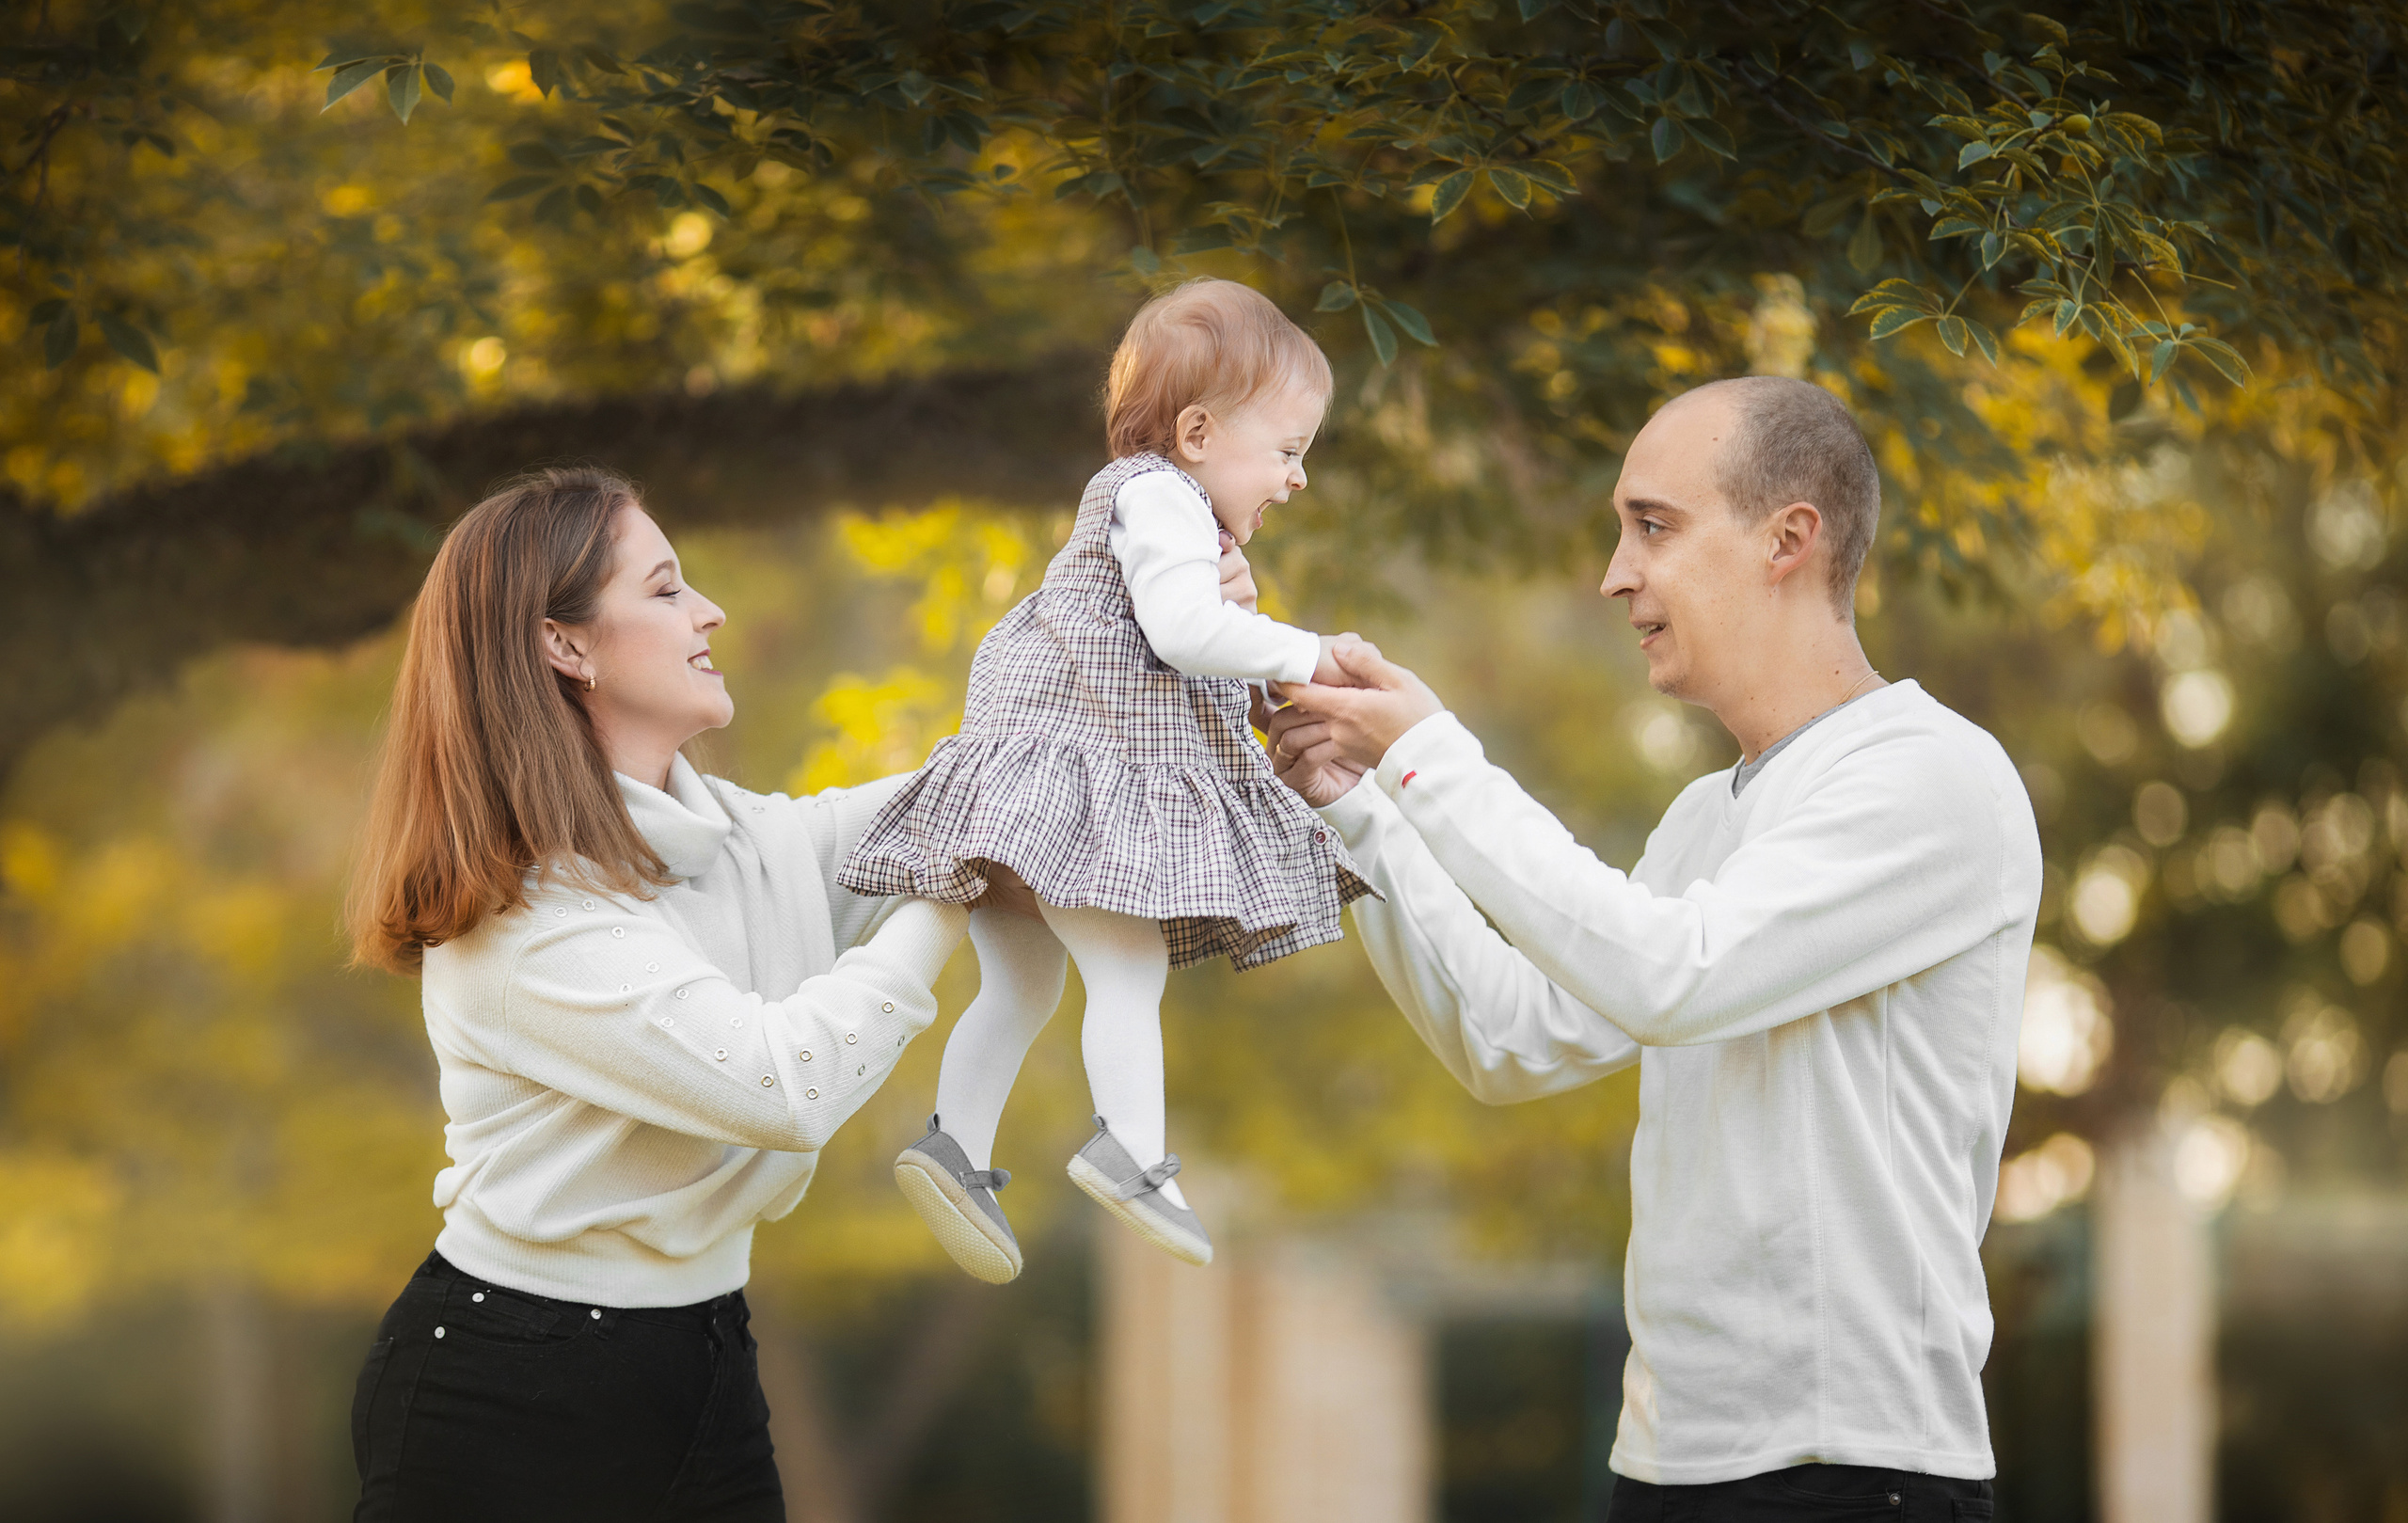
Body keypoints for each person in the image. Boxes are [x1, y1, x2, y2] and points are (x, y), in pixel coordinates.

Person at [1266, 376, 2041, 1518]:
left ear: (1788, 538)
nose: (1615, 573)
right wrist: (1361, 804)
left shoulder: (1929, 774)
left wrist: (1429, 752)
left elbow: (1671, 973)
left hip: (1854, 1472)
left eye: (1653, 526)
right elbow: (1511, 1036)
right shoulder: (1701, 819)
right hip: (1668, 1465)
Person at [341, 466, 984, 1522]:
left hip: (703, 1357)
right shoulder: (528, 921)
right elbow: (785, 1084)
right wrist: (950, 892)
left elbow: (964, 797)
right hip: (506, 1393)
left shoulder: (730, 838)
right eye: (666, 587)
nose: (709, 610)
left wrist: (1174, 652)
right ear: (565, 645)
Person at [839, 278, 1373, 1283]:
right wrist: (1307, 653)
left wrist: (1251, 637)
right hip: (1080, 787)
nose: (1299, 478)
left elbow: (1190, 638)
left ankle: (955, 1145)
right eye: (1289, 450)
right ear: (1199, 432)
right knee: (1127, 968)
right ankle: (1131, 1149)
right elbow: (1183, 632)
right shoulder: (1160, 495)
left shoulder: (1163, 511)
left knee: (1022, 982)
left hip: (1031, 788)